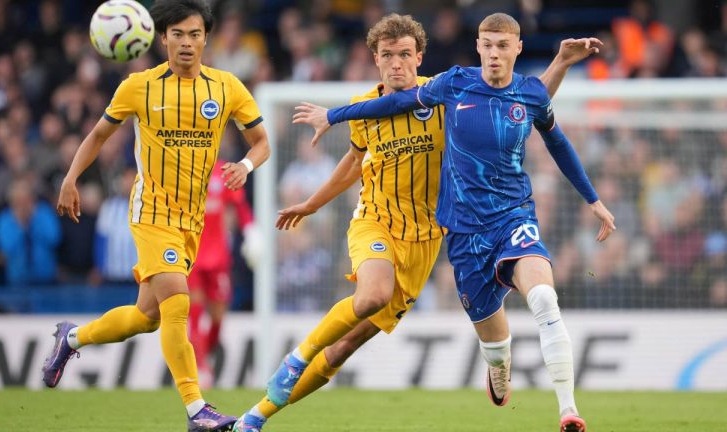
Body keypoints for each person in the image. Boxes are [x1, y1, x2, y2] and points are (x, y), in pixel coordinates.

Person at [235, 13, 604, 432]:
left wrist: (558, 67)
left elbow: (517, 103)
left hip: (427, 238)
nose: (397, 63)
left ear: (419, 57)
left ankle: (255, 416)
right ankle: (292, 364)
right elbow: (353, 161)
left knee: (344, 347)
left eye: (405, 54)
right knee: (372, 295)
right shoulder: (365, 107)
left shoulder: (447, 93)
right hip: (376, 221)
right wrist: (312, 204)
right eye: (387, 55)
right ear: (375, 59)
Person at [41, 1, 270, 431]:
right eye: (177, 34)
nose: (186, 43)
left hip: (191, 221)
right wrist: (70, 178)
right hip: (151, 212)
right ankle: (196, 410)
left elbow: (262, 142)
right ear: (162, 38)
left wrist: (245, 166)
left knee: (146, 318)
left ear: (206, 39)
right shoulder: (138, 86)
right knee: (178, 302)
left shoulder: (227, 87)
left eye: (195, 34)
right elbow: (98, 135)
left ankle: (70, 338)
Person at [189, 159, 258, 387]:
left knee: (218, 317)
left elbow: (240, 206)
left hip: (218, 256)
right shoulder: (183, 168)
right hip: (191, 254)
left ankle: (203, 358)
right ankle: (200, 368)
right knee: (195, 311)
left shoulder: (224, 171)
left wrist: (251, 231)